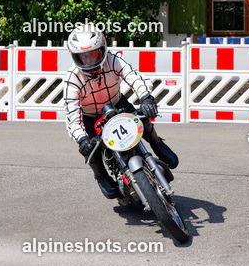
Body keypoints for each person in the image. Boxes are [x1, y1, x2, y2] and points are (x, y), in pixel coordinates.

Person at [64, 24, 178, 198]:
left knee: (141, 118)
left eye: (93, 54)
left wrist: (146, 97)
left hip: (116, 103)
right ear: (74, 57)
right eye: (82, 57)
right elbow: (72, 115)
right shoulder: (72, 78)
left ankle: (157, 144)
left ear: (103, 49)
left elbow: (133, 76)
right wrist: (81, 139)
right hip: (89, 116)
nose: (89, 61)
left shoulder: (114, 59)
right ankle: (101, 177)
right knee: (91, 149)